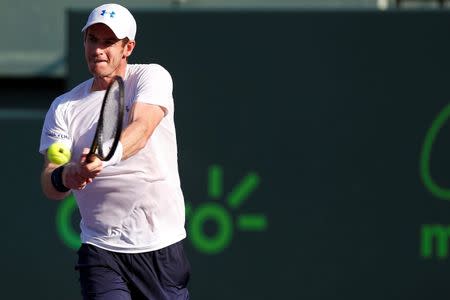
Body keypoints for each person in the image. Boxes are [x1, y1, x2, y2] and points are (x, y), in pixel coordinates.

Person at [39, 3, 190, 299]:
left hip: (160, 249)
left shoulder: (151, 77)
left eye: (108, 42)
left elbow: (143, 128)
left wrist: (104, 155)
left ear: (128, 47)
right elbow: (49, 180)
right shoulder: (63, 107)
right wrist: (66, 176)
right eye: (92, 39)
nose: (98, 49)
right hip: (101, 251)